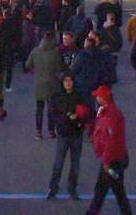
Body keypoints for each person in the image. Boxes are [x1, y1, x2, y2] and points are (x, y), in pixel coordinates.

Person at [86, 84, 132, 214]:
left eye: (98, 96)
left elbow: (111, 140)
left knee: (107, 191)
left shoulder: (110, 114)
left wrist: (106, 160)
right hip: (114, 157)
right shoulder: (107, 111)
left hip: (112, 160)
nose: (97, 99)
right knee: (110, 190)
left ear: (103, 98)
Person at [46, 72, 88, 201]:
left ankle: (72, 188)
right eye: (66, 81)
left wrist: (79, 120)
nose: (68, 83)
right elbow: (52, 114)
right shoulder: (57, 96)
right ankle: (53, 188)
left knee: (75, 165)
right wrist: (54, 127)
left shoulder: (79, 96)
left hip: (76, 134)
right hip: (63, 134)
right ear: (62, 83)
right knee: (58, 163)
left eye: (70, 81)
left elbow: (86, 112)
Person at [27, 33, 64, 139]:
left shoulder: (35, 51)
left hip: (39, 84)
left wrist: (36, 71)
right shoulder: (55, 54)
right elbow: (59, 69)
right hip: (52, 84)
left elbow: (28, 65)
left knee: (39, 109)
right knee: (51, 109)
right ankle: (51, 131)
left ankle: (38, 131)